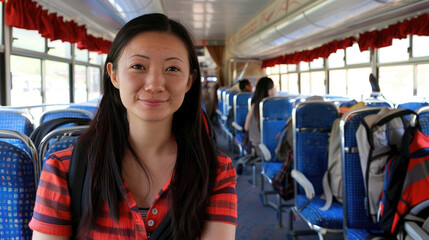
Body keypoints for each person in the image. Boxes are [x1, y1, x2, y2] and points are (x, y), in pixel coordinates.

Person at [29, 13, 237, 240]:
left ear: (189, 80)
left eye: (172, 69)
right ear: (114, 75)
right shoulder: (63, 169)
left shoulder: (216, 170)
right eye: (138, 66)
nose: (155, 84)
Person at [244, 77, 277, 156]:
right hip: (272, 148)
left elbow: (246, 127)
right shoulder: (277, 107)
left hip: (258, 147)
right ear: (269, 91)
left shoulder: (254, 106)